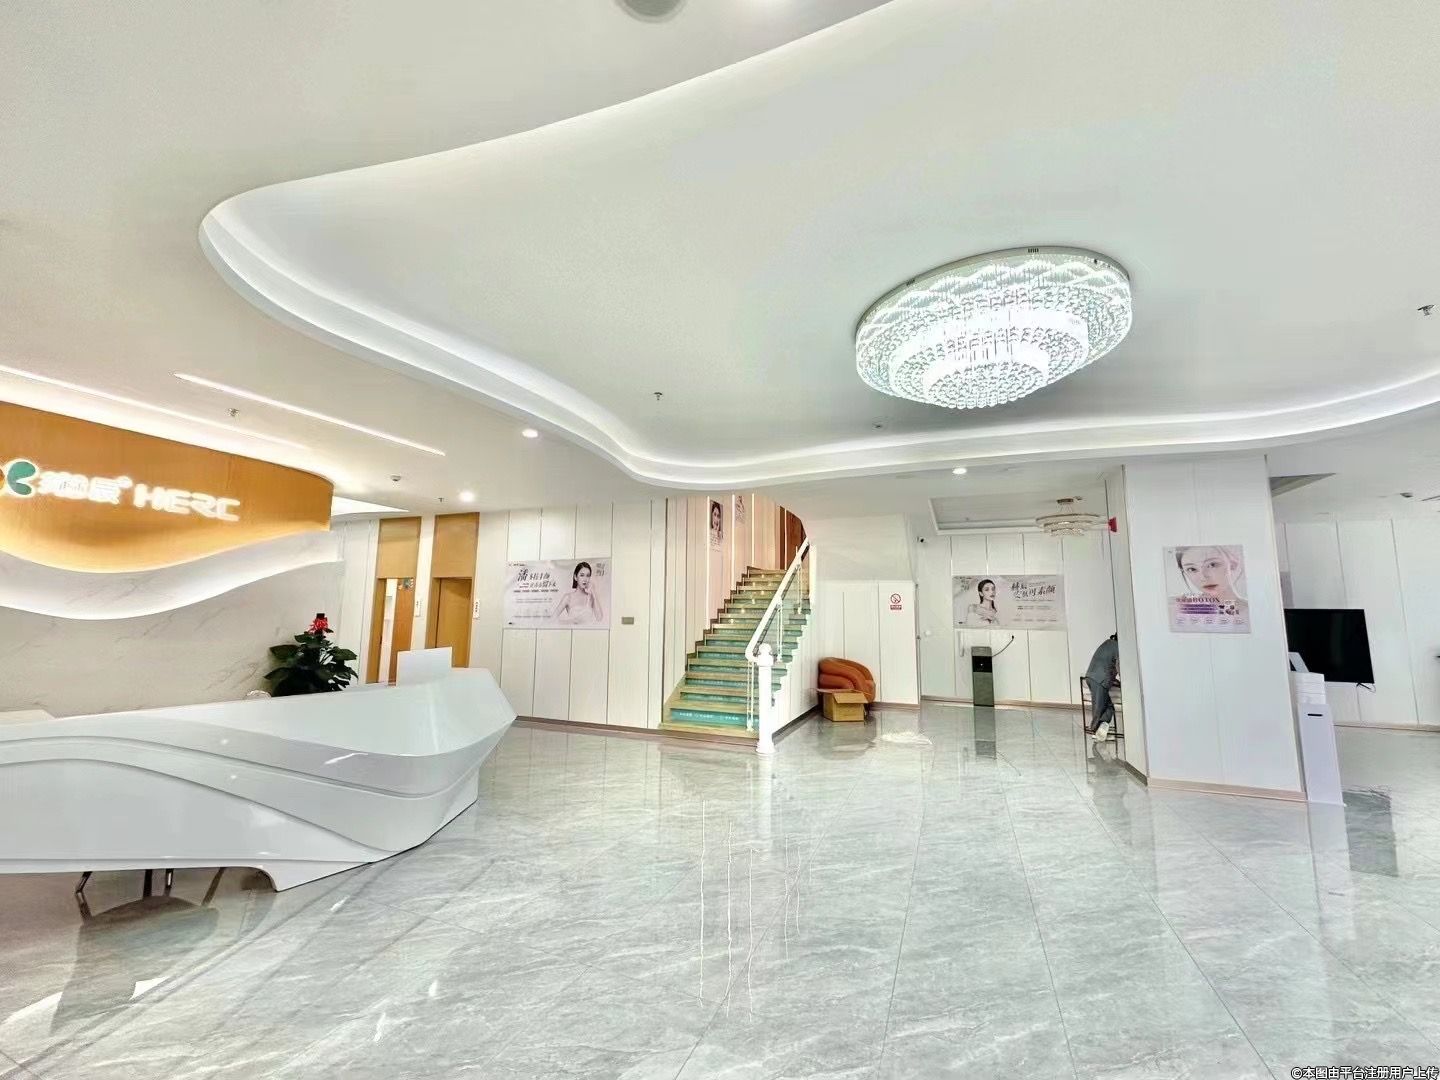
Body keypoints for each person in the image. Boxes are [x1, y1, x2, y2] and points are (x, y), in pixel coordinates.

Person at [1174, 545, 1248, 619]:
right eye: (1192, 569)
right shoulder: (1179, 610)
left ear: (1232, 564)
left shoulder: (1249, 610)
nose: (1203, 577)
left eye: (1212, 565)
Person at [1086, 633, 1119, 740]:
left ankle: (1101, 730)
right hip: (1100, 679)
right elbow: (1118, 665)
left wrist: (1113, 679)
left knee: (1108, 707)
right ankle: (1095, 730)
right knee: (1099, 707)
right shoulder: (1116, 646)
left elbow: (1106, 662)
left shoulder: (1107, 643)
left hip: (1091, 676)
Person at [551, 561, 605, 625]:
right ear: (575, 577)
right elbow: (552, 620)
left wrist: (593, 591)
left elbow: (599, 618)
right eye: (582, 575)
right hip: (573, 630)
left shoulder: (591, 597)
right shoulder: (568, 597)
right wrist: (569, 622)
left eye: (588, 576)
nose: (585, 579)